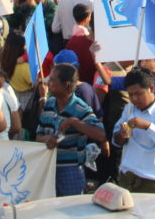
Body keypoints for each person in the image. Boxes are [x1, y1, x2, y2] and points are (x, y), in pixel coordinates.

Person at [36, 63, 105, 196]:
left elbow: (101, 135)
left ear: (66, 85)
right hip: (48, 168)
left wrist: (74, 122)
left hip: (70, 171)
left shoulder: (81, 108)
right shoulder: (49, 103)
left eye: (52, 80)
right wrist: (47, 139)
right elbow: (38, 135)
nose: (47, 83)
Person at [113, 66, 155, 194]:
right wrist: (121, 136)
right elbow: (116, 140)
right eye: (130, 94)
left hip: (153, 183)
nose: (134, 99)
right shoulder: (129, 109)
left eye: (138, 94)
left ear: (151, 88)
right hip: (126, 179)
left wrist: (148, 126)